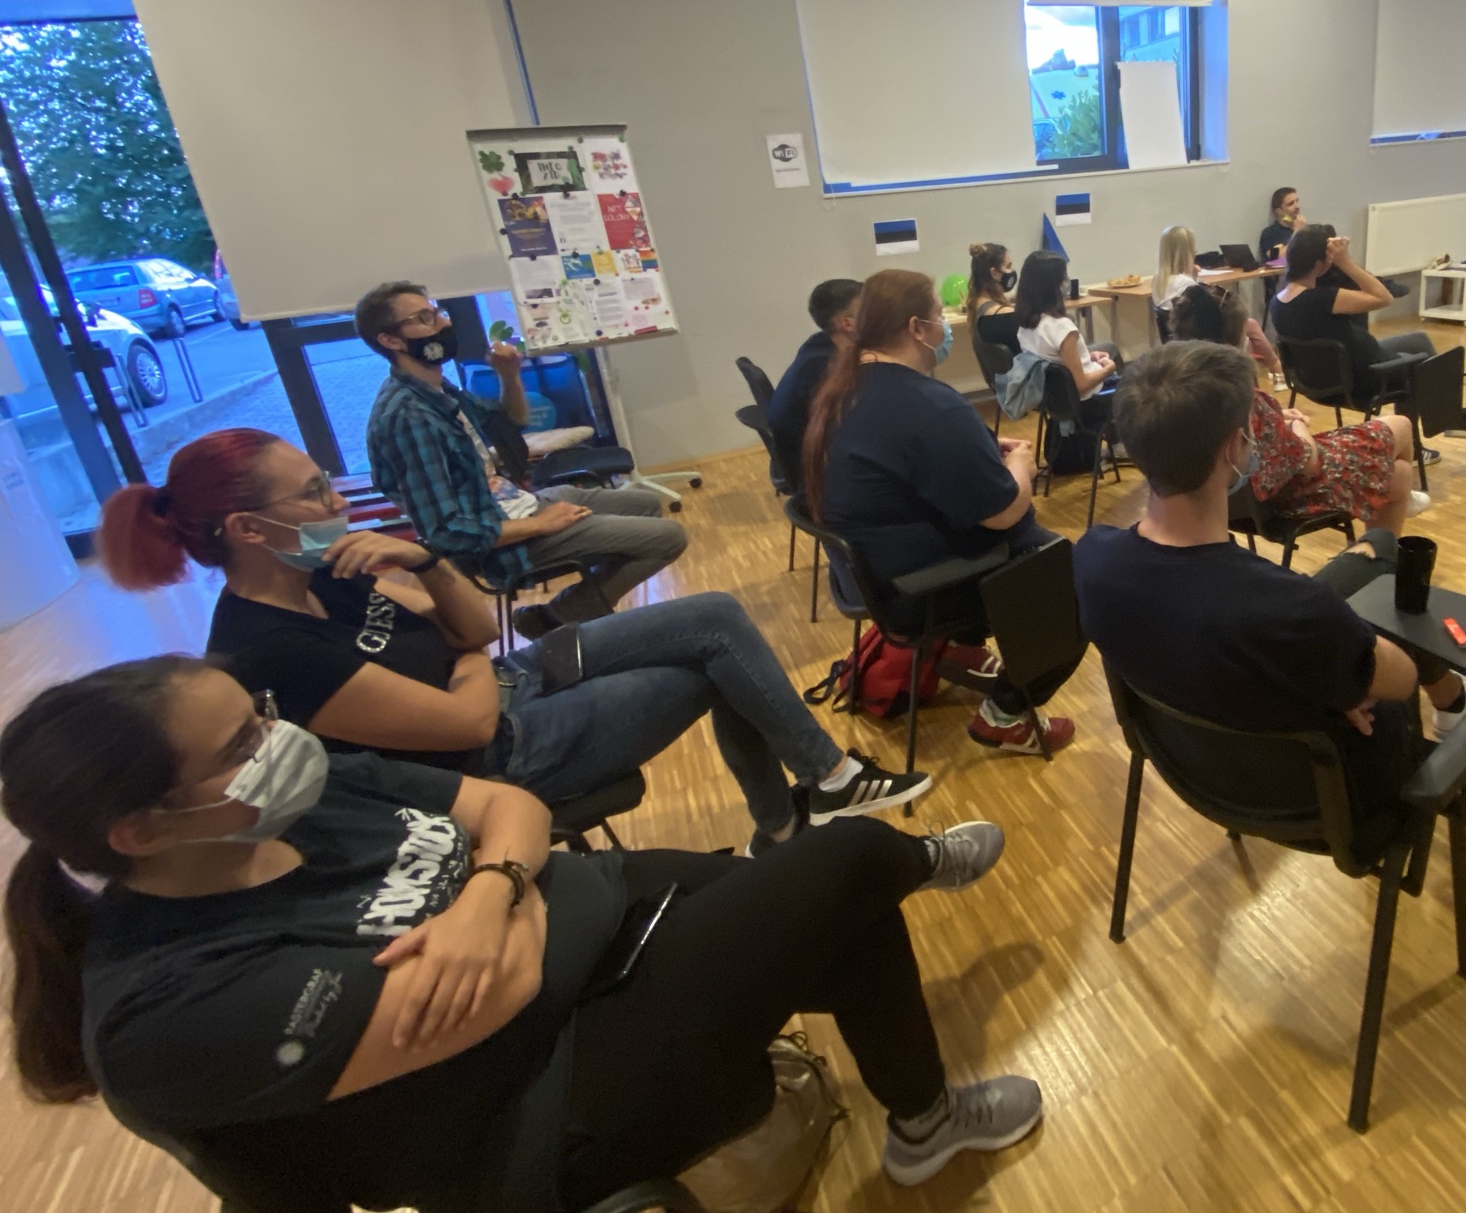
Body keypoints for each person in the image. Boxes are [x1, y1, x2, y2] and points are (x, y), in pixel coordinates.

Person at [0, 659, 1043, 1213]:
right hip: (535, 1108)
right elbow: (495, 999)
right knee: (847, 858)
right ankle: (911, 876)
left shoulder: (295, 801)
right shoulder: (164, 1010)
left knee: (839, 900)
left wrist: (489, 894)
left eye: (260, 714)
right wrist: (515, 890)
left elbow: (511, 808)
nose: (277, 743)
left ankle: (923, 1119)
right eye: (240, 745)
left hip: (586, 944)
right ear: (139, 830)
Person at [97, 429, 926, 851]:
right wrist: (462, 652)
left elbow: (465, 627)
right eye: (315, 492)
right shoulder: (266, 648)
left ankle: (821, 787)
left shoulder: (334, 571)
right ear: (247, 528)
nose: (337, 503)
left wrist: (426, 563)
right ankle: (791, 818)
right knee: (720, 669)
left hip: (510, 681)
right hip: (498, 754)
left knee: (713, 618)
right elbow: (465, 724)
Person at [1075, 343, 1466, 857]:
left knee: (1379, 547)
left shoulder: (1092, 558)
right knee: (1385, 595)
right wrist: (1339, 688)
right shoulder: (1290, 610)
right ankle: (1454, 700)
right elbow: (1401, 681)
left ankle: (1371, 589)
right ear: (1234, 447)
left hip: (1194, 774)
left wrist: (1329, 676)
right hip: (1338, 807)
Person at [806, 269, 1079, 754]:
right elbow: (1003, 513)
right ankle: (1004, 716)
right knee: (1074, 581)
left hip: (873, 575)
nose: (945, 327)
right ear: (917, 328)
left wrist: (979, 451)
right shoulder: (929, 405)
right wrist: (1021, 465)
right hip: (920, 590)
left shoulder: (846, 388)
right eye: (938, 316)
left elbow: (912, 461)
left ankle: (959, 649)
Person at [357, 283, 686, 640]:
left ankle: (581, 611)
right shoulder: (408, 418)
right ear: (391, 340)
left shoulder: (437, 390)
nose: (443, 323)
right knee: (669, 538)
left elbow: (512, 423)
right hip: (507, 544)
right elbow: (446, 534)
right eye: (425, 318)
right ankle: (560, 616)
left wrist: (509, 374)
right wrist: (541, 525)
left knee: (646, 504)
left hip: (516, 505)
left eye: (437, 312)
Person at [1170, 284, 1424, 529]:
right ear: (1236, 342)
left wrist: (1276, 416)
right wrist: (1296, 424)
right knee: (1401, 425)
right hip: (1289, 495)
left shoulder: (1179, 395)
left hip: (1235, 503)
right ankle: (1386, 542)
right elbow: (1309, 462)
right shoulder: (1246, 398)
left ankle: (1385, 545)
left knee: (1399, 476)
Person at [1271, 226, 1466, 438]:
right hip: (1360, 379)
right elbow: (1384, 297)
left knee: (1418, 340)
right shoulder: (1323, 299)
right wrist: (1346, 262)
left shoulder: (1278, 302)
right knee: (1419, 364)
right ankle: (1416, 441)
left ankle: (1451, 418)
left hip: (1317, 379)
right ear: (1319, 265)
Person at [767, 279, 862, 494]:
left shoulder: (818, 345)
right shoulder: (821, 369)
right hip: (819, 480)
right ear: (847, 323)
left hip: (812, 460)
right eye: (868, 312)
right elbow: (854, 428)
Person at [1014, 251, 1119, 430]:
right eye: (1064, 278)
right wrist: (1109, 369)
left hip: (1056, 403)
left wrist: (1086, 356)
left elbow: (1055, 360)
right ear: (1052, 286)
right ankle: (1117, 434)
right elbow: (1081, 385)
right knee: (1138, 386)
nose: (1067, 282)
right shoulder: (1062, 328)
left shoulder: (1025, 326)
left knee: (1110, 349)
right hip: (1089, 403)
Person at [1152, 226, 1200, 310]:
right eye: (1192, 246)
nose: (1196, 250)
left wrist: (1193, 279)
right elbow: (1201, 313)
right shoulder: (1186, 283)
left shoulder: (1157, 279)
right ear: (1185, 252)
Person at [1258, 186, 1303, 265]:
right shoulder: (1270, 233)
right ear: (1279, 211)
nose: (1297, 206)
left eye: (1297, 201)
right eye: (1290, 204)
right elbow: (1275, 260)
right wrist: (1297, 232)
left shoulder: (1307, 231)